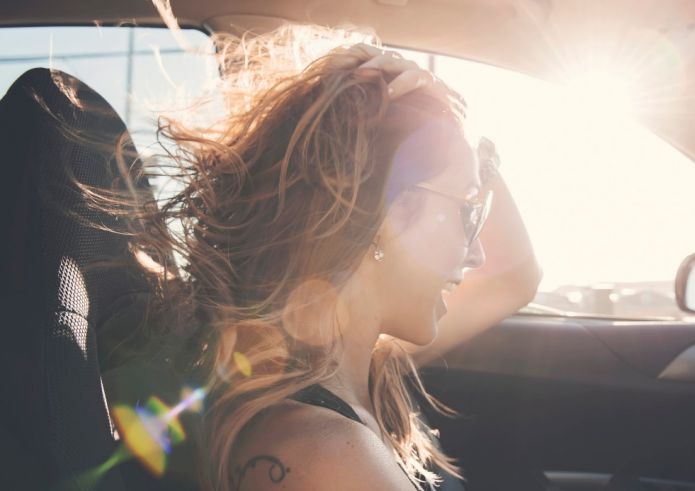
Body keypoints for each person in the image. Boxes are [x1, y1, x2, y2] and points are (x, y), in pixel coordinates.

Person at [96, 26, 540, 491]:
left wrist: (454, 125)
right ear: (386, 217)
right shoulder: (325, 456)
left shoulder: (346, 365)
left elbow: (514, 278)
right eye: (468, 210)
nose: (478, 251)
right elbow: (509, 276)